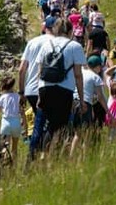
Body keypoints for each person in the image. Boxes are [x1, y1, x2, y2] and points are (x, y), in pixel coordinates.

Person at [36, 17, 86, 153]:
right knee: (61, 126)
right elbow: (78, 75)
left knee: (49, 124)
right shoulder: (75, 46)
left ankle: (43, 154)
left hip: (45, 89)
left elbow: (40, 72)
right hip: (64, 90)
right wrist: (81, 100)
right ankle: (53, 155)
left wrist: (39, 95)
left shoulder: (46, 44)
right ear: (71, 31)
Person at [18, 17, 55, 160]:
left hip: (30, 90)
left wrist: (21, 92)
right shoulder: (56, 43)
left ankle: (35, 153)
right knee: (48, 123)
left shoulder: (32, 43)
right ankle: (41, 154)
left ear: (44, 27)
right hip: (48, 88)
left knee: (40, 122)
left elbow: (22, 69)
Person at [0, 76, 23, 163]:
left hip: (5, 123)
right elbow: (22, 112)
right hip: (16, 122)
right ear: (12, 86)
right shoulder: (18, 97)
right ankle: (13, 166)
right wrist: (25, 126)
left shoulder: (2, 97)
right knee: (14, 148)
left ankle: (4, 163)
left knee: (4, 146)